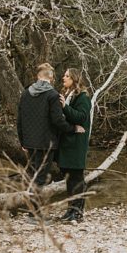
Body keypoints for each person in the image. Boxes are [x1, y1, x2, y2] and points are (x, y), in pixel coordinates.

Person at [16, 63, 73, 187]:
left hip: (29, 143)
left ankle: (30, 203)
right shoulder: (53, 95)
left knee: (33, 177)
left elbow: (19, 120)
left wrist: (22, 142)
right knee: (40, 179)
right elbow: (58, 120)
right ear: (51, 78)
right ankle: (34, 206)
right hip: (46, 144)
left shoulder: (25, 94)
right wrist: (72, 128)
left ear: (37, 76)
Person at [57, 68, 92, 222]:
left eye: (66, 76)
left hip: (77, 143)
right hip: (67, 142)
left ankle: (78, 212)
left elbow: (80, 117)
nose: (63, 78)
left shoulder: (83, 97)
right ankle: (70, 210)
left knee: (77, 177)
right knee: (69, 178)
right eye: (64, 75)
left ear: (74, 78)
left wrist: (65, 106)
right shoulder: (67, 95)